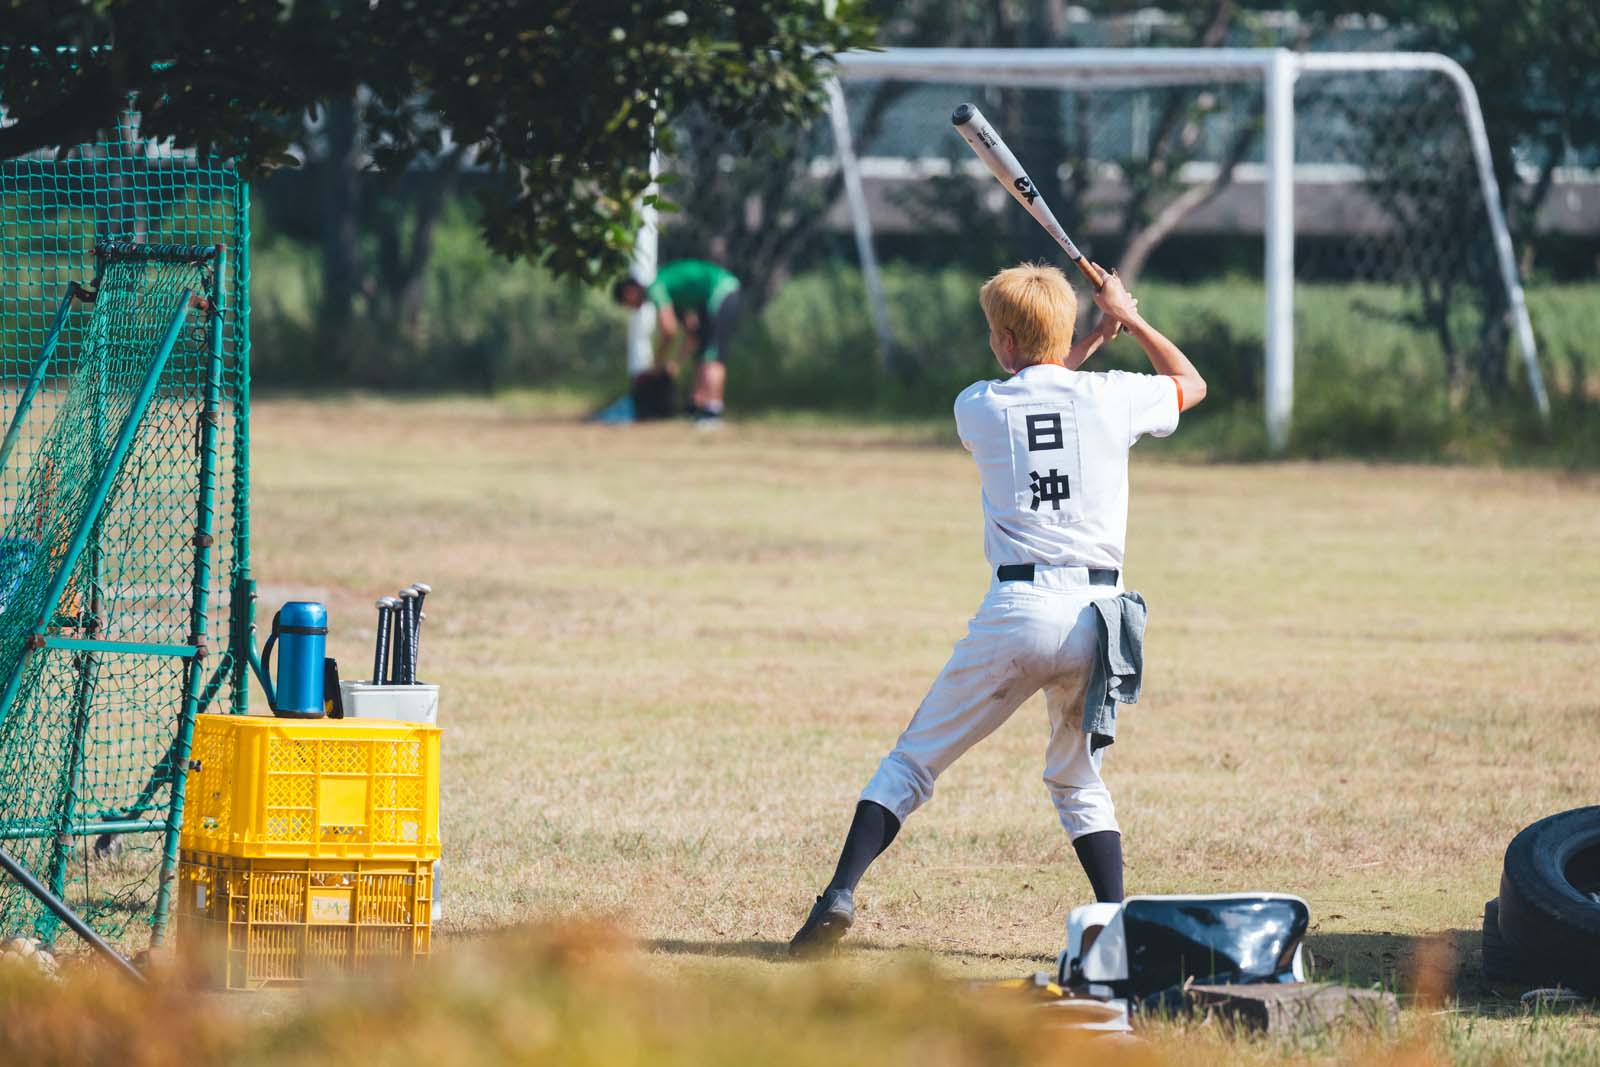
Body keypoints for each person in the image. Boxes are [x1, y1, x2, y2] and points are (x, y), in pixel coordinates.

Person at [788, 262, 1206, 958]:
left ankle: (839, 891)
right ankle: (1115, 924)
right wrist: (1124, 321)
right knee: (1077, 778)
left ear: (1007, 343)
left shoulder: (976, 405)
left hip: (1019, 608)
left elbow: (1037, 396)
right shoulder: (1112, 400)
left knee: (912, 763)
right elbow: (1190, 384)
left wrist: (1090, 336)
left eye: (995, 334)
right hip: (1099, 617)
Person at [612, 259, 742, 423]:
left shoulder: (656, 287)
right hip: (712, 296)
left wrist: (657, 365)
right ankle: (699, 405)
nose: (631, 308)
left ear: (629, 292)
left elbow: (669, 330)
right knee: (704, 352)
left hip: (721, 291)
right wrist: (675, 363)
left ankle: (712, 411)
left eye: (627, 303)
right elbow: (692, 335)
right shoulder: (677, 295)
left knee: (712, 354)